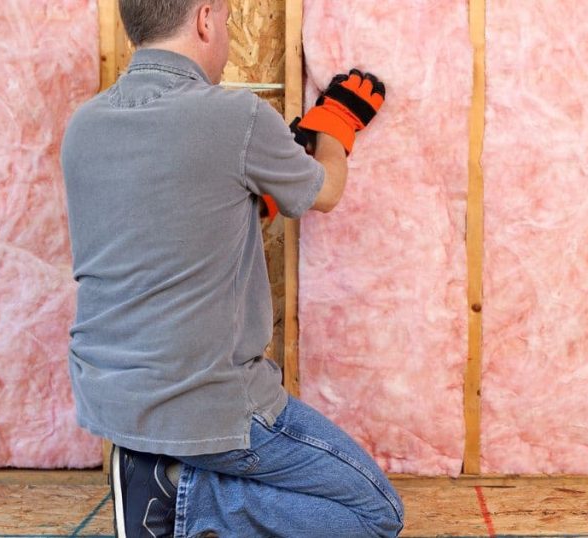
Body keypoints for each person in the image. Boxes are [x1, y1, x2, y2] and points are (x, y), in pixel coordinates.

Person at [60, 0, 403, 536]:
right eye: (222, 21)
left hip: (112, 401)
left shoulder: (84, 126)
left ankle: (155, 467)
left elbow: (171, 223)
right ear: (202, 19)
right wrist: (335, 127)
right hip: (212, 409)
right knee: (374, 513)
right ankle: (179, 496)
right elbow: (326, 190)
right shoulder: (236, 118)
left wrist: (254, 184)